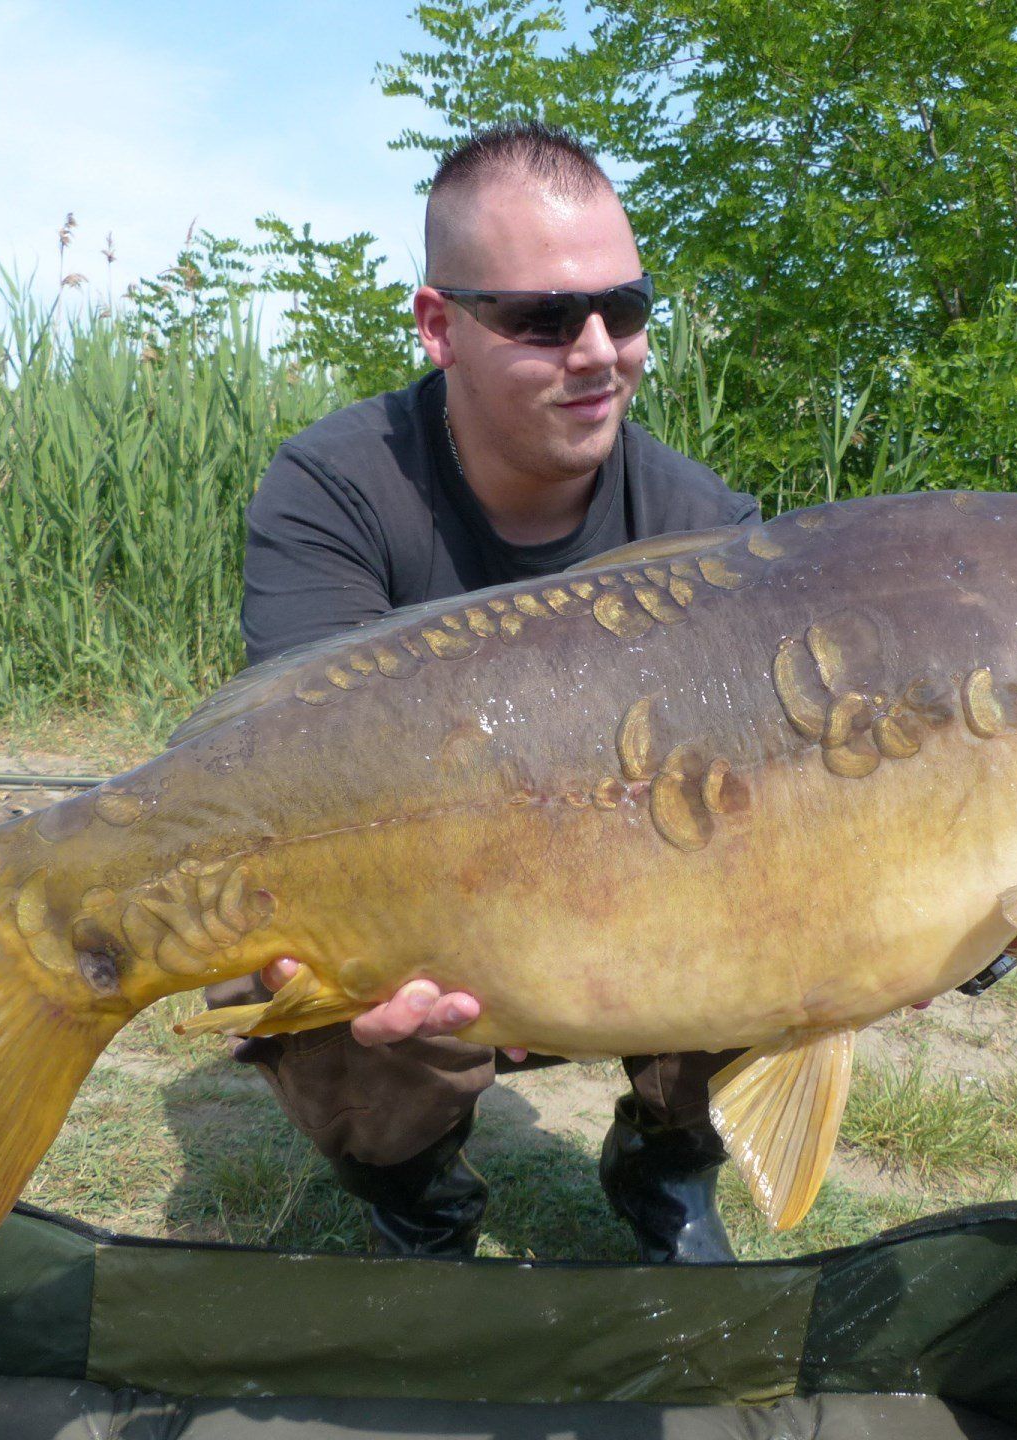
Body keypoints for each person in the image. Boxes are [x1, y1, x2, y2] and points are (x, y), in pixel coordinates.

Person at [204, 122, 761, 1264]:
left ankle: (666, 1155)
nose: (600, 350)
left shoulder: (705, 528)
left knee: (783, 885)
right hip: (419, 904)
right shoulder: (336, 487)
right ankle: (414, 1188)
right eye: (546, 319)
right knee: (302, 950)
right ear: (438, 324)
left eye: (629, 306)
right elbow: (286, 773)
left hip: (630, 900)